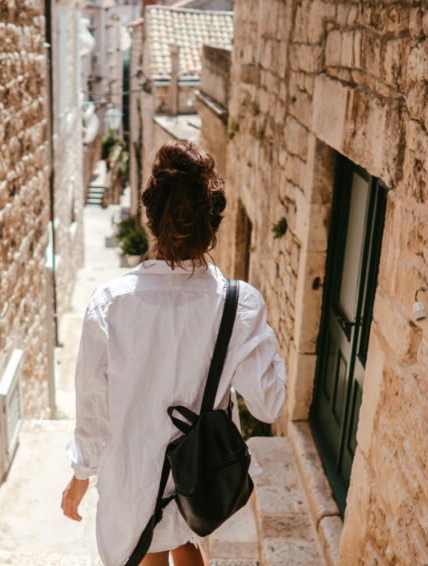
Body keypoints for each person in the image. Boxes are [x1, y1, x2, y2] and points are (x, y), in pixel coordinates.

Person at [60, 140, 288, 566]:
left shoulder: (110, 303)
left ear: (151, 218)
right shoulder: (240, 304)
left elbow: (93, 411)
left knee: (148, 542)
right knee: (184, 539)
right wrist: (260, 335)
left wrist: (80, 477)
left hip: (132, 479)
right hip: (196, 479)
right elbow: (268, 401)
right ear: (212, 223)